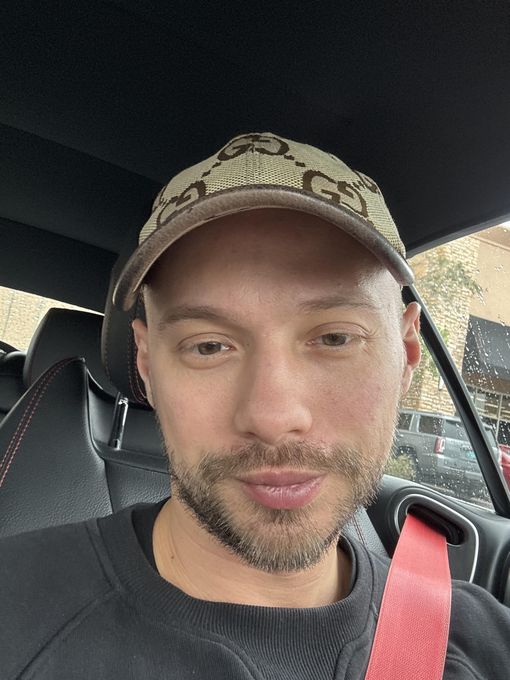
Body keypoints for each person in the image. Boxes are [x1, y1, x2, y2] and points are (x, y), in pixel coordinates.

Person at [2, 133, 510, 679]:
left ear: (407, 353)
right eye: (208, 346)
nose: (272, 417)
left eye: (335, 338)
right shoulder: (16, 611)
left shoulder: (484, 643)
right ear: (146, 364)